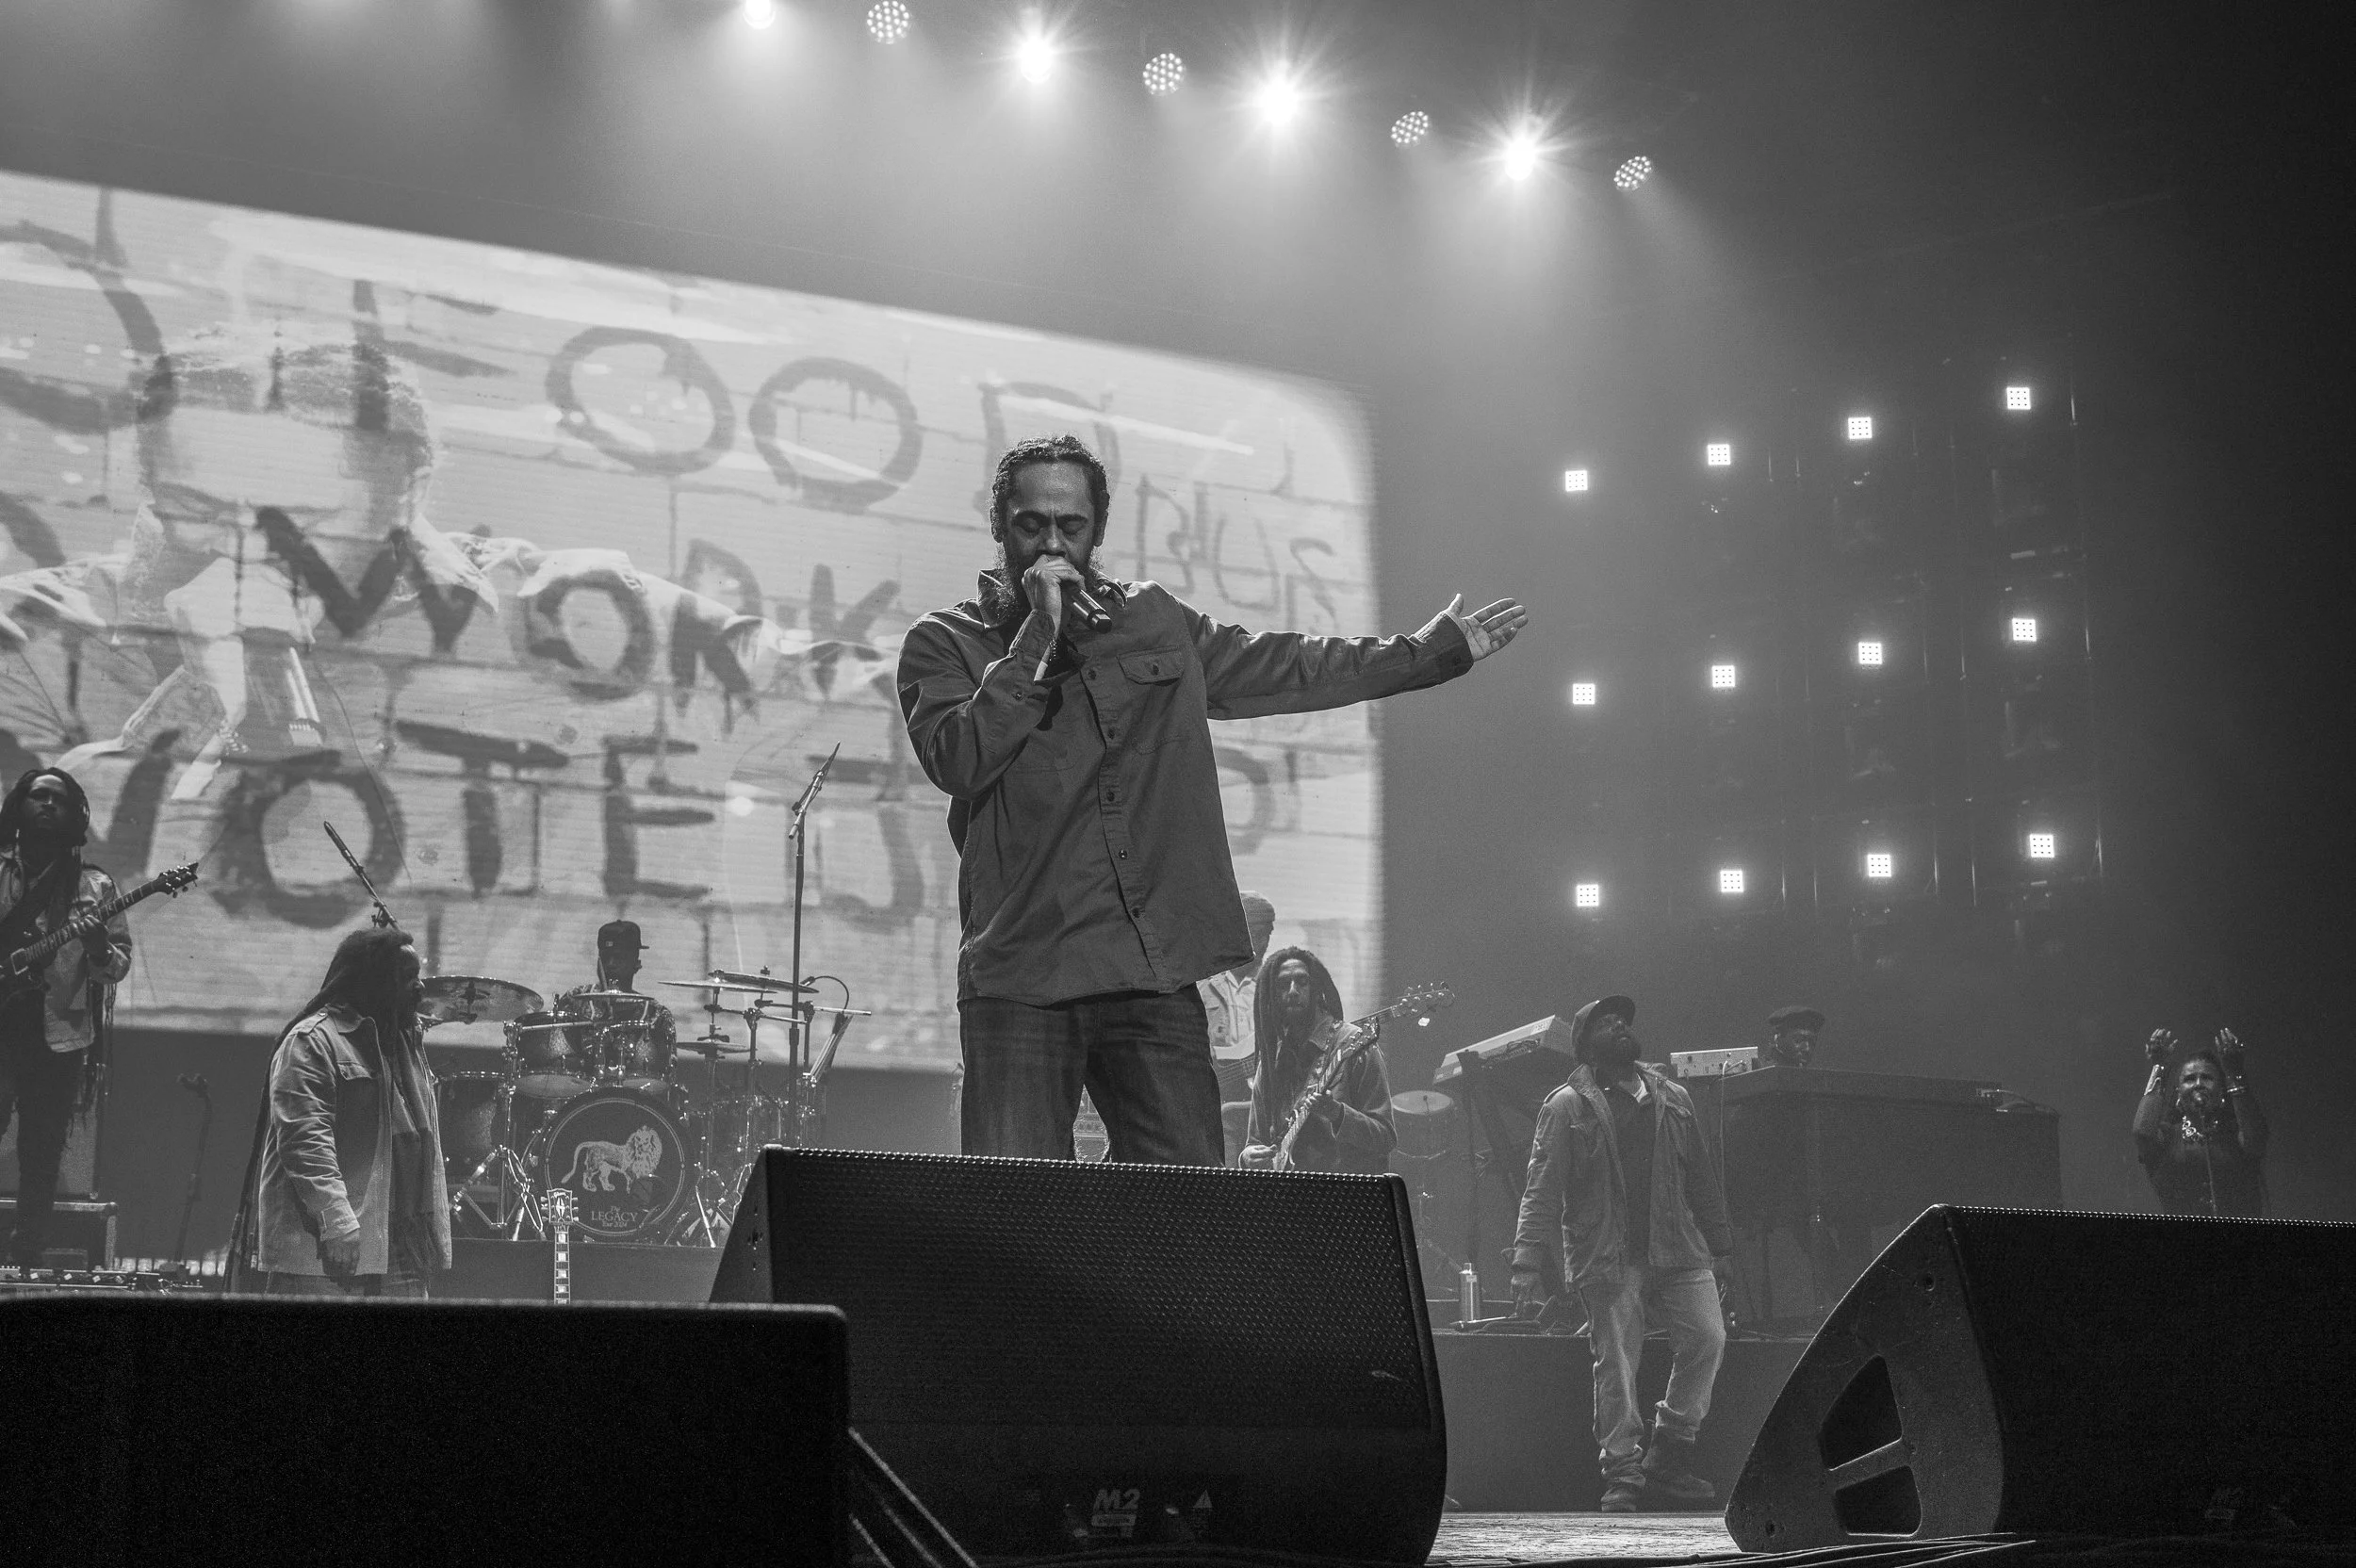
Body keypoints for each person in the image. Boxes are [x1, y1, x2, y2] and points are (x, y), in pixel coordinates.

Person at [899, 433, 1525, 1162]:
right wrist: (1040, 630)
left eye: (1070, 527)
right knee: (1021, 1215)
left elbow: (1286, 665)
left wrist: (1424, 655)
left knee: (1187, 1211)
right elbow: (959, 758)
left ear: (1097, 529)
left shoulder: (1153, 620)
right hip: (1022, 973)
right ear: (1000, 522)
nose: (1051, 544)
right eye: (1031, 524)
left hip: (1150, 971)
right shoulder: (945, 642)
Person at [1511, 995, 1733, 1513]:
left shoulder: (1674, 1097)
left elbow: (1702, 1176)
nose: (1620, 1027)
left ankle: (1670, 1453)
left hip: (1677, 1247)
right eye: (1606, 1023)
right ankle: (1624, 1471)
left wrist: (1721, 1246)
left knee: (1708, 1336)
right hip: (1608, 1255)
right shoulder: (1567, 1105)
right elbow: (1540, 1189)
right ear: (1586, 1044)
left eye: (1624, 1020)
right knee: (1617, 1365)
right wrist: (1525, 1263)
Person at [252, 926, 451, 1297]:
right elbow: (305, 1141)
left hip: (400, 1245)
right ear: (373, 983)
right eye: (407, 978)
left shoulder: (402, 1047)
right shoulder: (313, 1040)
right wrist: (336, 1222)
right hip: (326, 1249)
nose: (421, 988)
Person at [0, 768, 134, 1266]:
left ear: (76, 815)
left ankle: (24, 1257)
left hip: (57, 1034)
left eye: (60, 799)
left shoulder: (95, 886)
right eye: (38, 795)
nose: (48, 805)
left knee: (42, 1151)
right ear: (19, 806)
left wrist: (98, 946)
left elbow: (115, 968)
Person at [1236, 948, 1395, 1174]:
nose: (1293, 991)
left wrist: (1337, 1113)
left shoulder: (1355, 1043)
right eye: (1283, 985)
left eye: (1302, 982)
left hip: (1346, 1199)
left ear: (1317, 988)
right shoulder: (1271, 1059)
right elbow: (1255, 1141)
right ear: (1271, 995)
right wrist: (1247, 1158)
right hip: (1290, 1201)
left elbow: (1385, 1138)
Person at [2133, 1027, 2266, 1217]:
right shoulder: (2169, 1138)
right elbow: (2142, 1133)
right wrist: (2160, 1067)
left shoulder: (2235, 1135)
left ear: (2221, 1092)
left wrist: (2235, 1072)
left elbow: (2256, 1139)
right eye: (2189, 1079)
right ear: (2178, 1094)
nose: (2197, 1084)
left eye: (2206, 1078)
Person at [1201, 891, 1275, 1165]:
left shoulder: (1276, 985)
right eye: (1255, 931)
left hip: (1265, 1110)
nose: (1263, 941)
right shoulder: (1201, 984)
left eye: (1268, 932)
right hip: (1209, 1111)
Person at [1763, 1004, 1823, 1068]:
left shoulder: (1813, 1076)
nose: (1807, 1049)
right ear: (1776, 1039)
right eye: (1798, 1040)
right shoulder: (1760, 1074)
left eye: (1812, 1043)